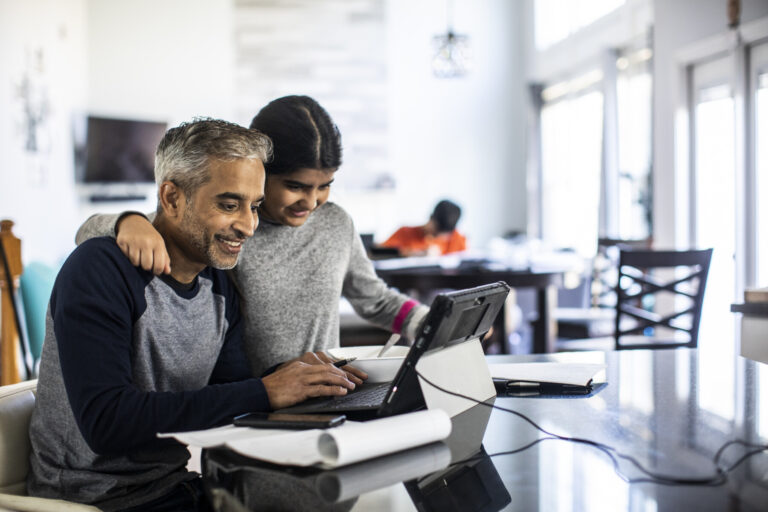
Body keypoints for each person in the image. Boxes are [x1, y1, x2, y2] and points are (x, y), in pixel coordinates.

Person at [29, 119, 358, 511]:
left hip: (178, 486)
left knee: (336, 498)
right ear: (171, 198)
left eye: (253, 206)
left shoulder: (219, 287)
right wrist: (265, 391)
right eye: (228, 204)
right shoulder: (100, 270)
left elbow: (231, 396)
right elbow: (107, 423)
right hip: (97, 501)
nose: (249, 226)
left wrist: (300, 380)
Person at [76, 96, 429, 376]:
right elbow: (89, 232)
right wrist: (128, 220)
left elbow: (375, 300)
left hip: (325, 391)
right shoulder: (225, 229)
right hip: (250, 398)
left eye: (325, 186)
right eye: (296, 186)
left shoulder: (336, 223)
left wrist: (428, 325)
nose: (311, 201)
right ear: (259, 174)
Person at [381, 199, 467, 256]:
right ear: (431, 218)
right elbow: (377, 252)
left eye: (443, 236)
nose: (437, 237)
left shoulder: (456, 239)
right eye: (436, 232)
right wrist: (415, 253)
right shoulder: (405, 232)